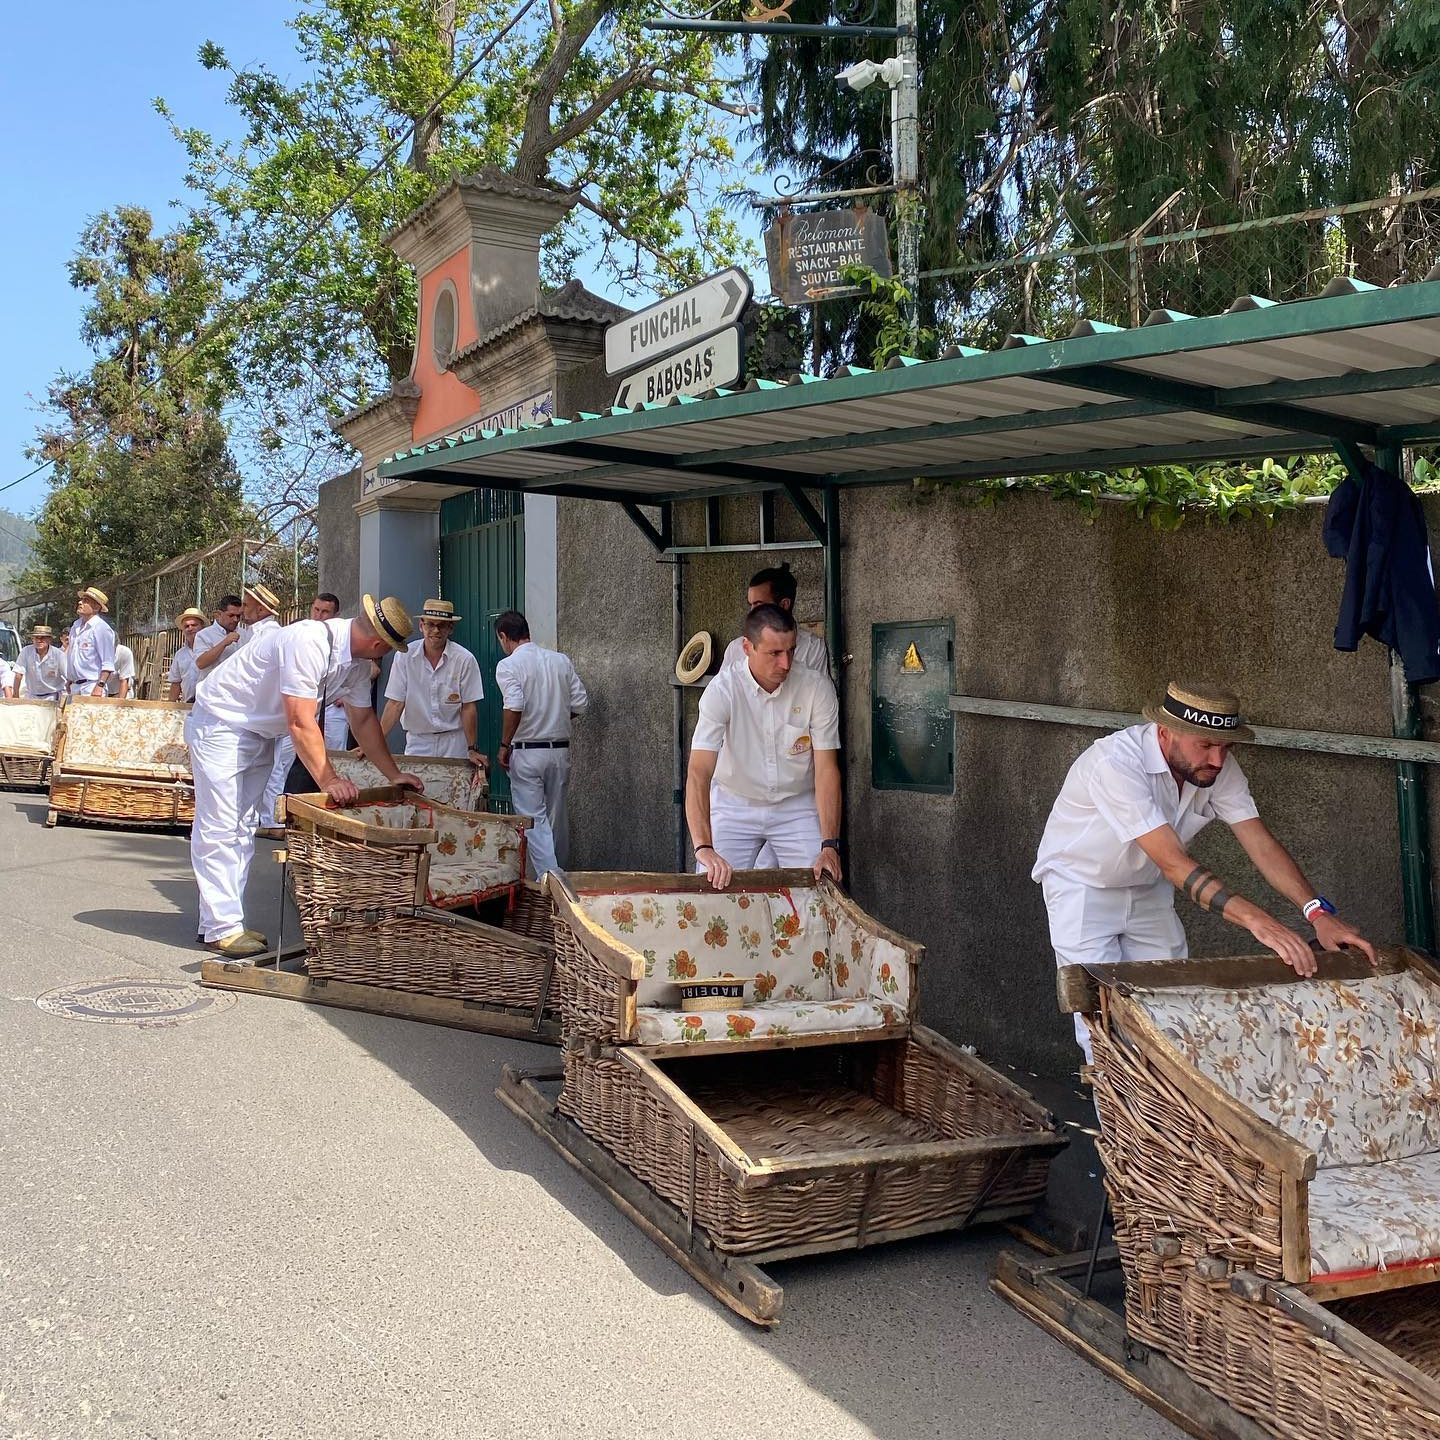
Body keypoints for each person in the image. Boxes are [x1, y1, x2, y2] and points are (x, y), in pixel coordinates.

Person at [1033, 681, 1377, 1060]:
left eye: (1226, 746)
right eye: (1206, 745)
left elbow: (1260, 843)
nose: (1218, 759)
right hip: (1083, 889)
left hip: (1148, 887)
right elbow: (1174, 863)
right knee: (1101, 1023)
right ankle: (1119, 1120)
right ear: (1166, 732)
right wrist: (1258, 922)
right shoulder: (1115, 763)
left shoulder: (1215, 767)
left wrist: (1317, 913)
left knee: (1173, 1006)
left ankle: (1166, 1118)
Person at [187, 594, 421, 959]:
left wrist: (394, 774)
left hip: (259, 732)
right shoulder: (309, 641)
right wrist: (329, 779)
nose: (384, 656)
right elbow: (300, 720)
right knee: (219, 826)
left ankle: (219, 921)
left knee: (241, 826)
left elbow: (363, 721)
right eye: (387, 649)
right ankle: (222, 927)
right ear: (378, 644)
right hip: (222, 724)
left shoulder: (355, 666)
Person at [686, 603, 843, 889]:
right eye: (774, 653)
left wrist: (829, 845)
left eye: (791, 650)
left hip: (797, 803)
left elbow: (826, 769)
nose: (786, 663)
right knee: (710, 891)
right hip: (734, 802)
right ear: (747, 648)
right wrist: (703, 848)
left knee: (821, 888)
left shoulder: (817, 687)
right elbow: (698, 771)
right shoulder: (722, 690)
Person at [494, 610, 587, 881]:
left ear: (503, 636)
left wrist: (504, 744)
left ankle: (550, 881)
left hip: (526, 751)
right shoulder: (560, 661)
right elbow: (580, 703)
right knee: (557, 817)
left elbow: (514, 705)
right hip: (559, 750)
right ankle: (560, 876)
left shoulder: (508, 665)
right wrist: (555, 717)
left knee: (533, 820)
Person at [257, 593, 348, 836]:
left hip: (332, 713)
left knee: (331, 763)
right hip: (298, 713)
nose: (319, 616)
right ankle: (273, 820)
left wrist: (344, 691)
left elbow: (369, 671)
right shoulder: (303, 636)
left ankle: (324, 821)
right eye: (316, 610)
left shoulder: (341, 645)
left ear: (335, 616)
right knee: (283, 763)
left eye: (325, 612)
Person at [380, 599, 486, 762]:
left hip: (454, 741)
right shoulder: (404, 657)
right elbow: (395, 704)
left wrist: (472, 748)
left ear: (450, 628)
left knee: (454, 787)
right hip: (418, 740)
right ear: (421, 626)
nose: (436, 630)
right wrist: (375, 743)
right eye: (430, 624)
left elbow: (468, 707)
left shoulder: (465, 659)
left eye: (442, 625)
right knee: (416, 786)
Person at [720, 562, 831, 678]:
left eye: (759, 604)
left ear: (784, 605)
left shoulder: (811, 648)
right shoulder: (736, 649)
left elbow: (818, 692)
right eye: (751, 604)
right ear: (747, 648)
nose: (752, 612)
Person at [67, 587, 117, 697]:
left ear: (96, 607)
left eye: (86, 601)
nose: (80, 602)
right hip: (75, 686)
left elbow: (108, 662)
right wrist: (69, 680)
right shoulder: (75, 626)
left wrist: (99, 686)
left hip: (91, 686)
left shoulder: (102, 628)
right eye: (81, 600)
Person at [14, 625, 66, 703]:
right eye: (36, 638)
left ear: (49, 640)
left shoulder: (58, 654)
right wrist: (15, 696)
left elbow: (67, 675)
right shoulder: (26, 651)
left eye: (43, 638)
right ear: (32, 639)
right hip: (31, 696)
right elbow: (18, 674)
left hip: (53, 697)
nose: (39, 640)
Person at [193, 596, 244, 674]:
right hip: (212, 685)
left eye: (238, 616)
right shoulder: (204, 635)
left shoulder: (244, 633)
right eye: (231, 615)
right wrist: (224, 643)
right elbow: (200, 663)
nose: (235, 619)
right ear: (218, 614)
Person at [166, 609, 208, 702]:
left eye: (194, 625)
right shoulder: (180, 655)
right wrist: (169, 708)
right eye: (186, 626)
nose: (190, 628)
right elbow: (176, 684)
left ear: (203, 627)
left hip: (208, 705)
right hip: (187, 705)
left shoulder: (212, 649)